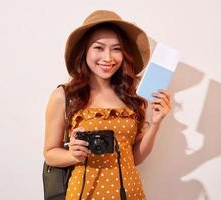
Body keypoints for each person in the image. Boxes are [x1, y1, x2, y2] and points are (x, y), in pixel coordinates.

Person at [43, 10, 171, 200]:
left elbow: (134, 158)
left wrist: (156, 123)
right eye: (99, 48)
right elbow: (49, 153)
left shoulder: (133, 96)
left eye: (116, 49)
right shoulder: (64, 95)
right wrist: (73, 155)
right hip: (84, 194)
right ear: (84, 50)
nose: (108, 57)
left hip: (131, 193)